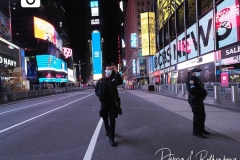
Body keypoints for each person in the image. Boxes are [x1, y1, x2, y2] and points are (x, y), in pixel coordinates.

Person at [95, 64, 123, 146]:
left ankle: (111, 137)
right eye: (107, 69)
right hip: (104, 103)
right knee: (104, 118)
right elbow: (96, 90)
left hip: (113, 103)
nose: (108, 70)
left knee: (112, 119)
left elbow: (120, 82)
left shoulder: (114, 79)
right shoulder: (100, 81)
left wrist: (116, 71)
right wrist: (99, 94)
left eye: (110, 69)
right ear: (105, 71)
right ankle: (107, 130)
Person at [186, 68, 210, 139]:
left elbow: (201, 88)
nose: (199, 73)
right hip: (194, 100)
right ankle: (196, 132)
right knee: (198, 116)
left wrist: (204, 93)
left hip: (199, 100)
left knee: (202, 115)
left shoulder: (196, 80)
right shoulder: (191, 80)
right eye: (197, 72)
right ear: (193, 73)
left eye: (199, 72)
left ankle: (201, 129)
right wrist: (202, 93)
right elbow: (192, 91)